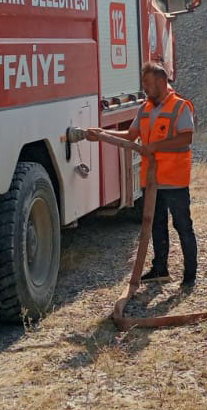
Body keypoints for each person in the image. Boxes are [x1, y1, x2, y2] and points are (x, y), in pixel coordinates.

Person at [85, 62, 198, 288]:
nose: (144, 87)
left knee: (182, 225)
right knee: (155, 225)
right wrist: (102, 134)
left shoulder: (180, 107)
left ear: (161, 82)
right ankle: (160, 269)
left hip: (174, 180)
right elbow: (130, 135)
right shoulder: (145, 109)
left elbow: (186, 138)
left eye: (147, 83)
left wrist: (156, 146)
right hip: (152, 181)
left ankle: (189, 275)